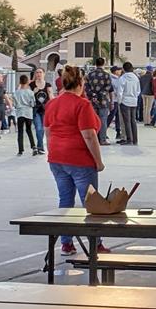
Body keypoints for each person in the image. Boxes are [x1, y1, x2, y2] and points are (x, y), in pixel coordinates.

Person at [44, 65, 108, 256]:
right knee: (90, 203)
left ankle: (66, 243)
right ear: (80, 83)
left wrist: (52, 153)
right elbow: (89, 135)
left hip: (57, 158)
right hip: (79, 158)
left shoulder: (52, 104)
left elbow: (47, 133)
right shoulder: (82, 105)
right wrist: (98, 160)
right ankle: (95, 244)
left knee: (65, 200)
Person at [85, 58, 114, 144]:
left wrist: (93, 94)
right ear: (103, 64)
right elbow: (109, 87)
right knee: (103, 120)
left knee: (93, 120)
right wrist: (101, 94)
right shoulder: (106, 75)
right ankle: (103, 139)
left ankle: (94, 139)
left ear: (95, 63)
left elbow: (86, 87)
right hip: (103, 100)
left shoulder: (89, 75)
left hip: (92, 101)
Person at [12, 74, 39, 156]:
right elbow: (33, 104)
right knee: (29, 130)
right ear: (27, 82)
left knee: (20, 131)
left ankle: (20, 150)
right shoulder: (31, 92)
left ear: (20, 82)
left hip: (20, 113)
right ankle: (33, 146)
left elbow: (15, 104)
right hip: (28, 113)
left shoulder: (16, 93)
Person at [117, 62, 140, 145]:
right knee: (133, 120)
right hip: (134, 101)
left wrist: (119, 101)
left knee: (127, 121)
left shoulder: (122, 78)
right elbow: (138, 91)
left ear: (123, 69)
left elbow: (120, 92)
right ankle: (135, 140)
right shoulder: (136, 78)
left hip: (125, 101)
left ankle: (129, 140)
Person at [30, 68, 52, 149]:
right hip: (35, 110)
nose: (38, 74)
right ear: (35, 74)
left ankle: (40, 145)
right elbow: (28, 98)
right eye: (37, 72)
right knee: (38, 128)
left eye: (40, 72)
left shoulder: (48, 85)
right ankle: (40, 146)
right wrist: (33, 93)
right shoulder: (31, 85)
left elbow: (51, 97)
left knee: (43, 129)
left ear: (44, 74)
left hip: (46, 110)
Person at [108, 65, 123, 139]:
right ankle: (103, 132)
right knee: (111, 116)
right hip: (114, 100)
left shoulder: (117, 79)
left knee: (118, 117)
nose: (120, 71)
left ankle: (118, 131)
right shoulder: (113, 79)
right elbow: (116, 90)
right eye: (119, 70)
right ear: (115, 71)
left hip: (117, 100)